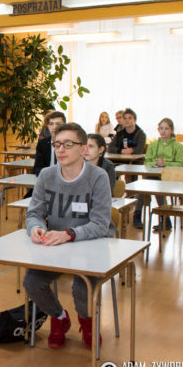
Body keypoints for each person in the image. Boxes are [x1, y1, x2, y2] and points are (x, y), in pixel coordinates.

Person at [24, 123, 112, 350]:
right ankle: (59, 317)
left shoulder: (98, 177)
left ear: (83, 149)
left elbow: (101, 224)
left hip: (90, 246)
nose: (61, 149)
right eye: (57, 144)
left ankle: (87, 322)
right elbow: (34, 213)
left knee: (82, 289)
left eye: (68, 144)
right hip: (55, 246)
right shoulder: (47, 175)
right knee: (32, 283)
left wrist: (70, 234)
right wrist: (35, 227)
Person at [107, 108, 147, 228]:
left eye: (130, 118)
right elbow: (110, 148)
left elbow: (139, 150)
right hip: (119, 161)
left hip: (135, 163)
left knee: (132, 178)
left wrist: (132, 150)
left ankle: (133, 201)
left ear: (135, 120)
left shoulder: (140, 134)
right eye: (125, 118)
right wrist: (121, 151)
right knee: (111, 170)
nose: (127, 120)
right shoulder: (120, 133)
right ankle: (113, 199)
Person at [144, 118, 183, 231]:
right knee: (143, 184)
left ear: (171, 130)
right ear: (158, 130)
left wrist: (165, 163)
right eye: (161, 128)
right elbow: (146, 162)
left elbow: (180, 164)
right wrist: (156, 163)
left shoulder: (178, 146)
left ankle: (165, 218)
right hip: (154, 175)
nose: (163, 131)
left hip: (172, 177)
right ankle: (137, 214)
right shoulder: (153, 145)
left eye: (166, 129)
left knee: (158, 186)